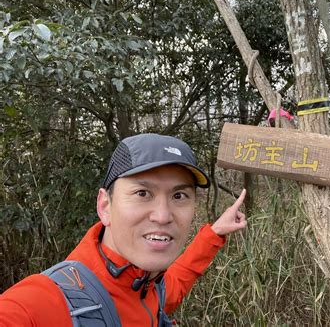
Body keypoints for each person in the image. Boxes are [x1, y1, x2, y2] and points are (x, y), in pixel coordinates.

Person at [0, 133, 247, 326]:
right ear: (105, 206)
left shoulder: (149, 286)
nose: (162, 216)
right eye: (142, 193)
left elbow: (178, 280)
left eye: (179, 195)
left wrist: (216, 233)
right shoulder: (43, 302)